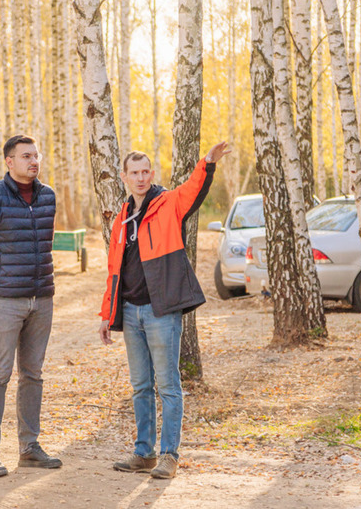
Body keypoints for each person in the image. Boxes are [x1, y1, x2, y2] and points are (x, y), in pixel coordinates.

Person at [99, 142, 230, 479]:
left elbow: (193, 189)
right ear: (125, 177)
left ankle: (169, 455)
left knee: (168, 386)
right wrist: (106, 314)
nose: (141, 177)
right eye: (135, 173)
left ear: (151, 174)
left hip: (161, 312)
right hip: (129, 312)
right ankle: (143, 453)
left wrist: (208, 163)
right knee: (141, 386)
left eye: (146, 172)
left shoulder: (168, 203)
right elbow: (114, 270)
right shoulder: (121, 220)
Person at [0, 134, 62, 479]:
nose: (33, 161)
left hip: (42, 298)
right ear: (9, 162)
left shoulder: (48, 196)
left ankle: (29, 448)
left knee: (33, 374)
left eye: (36, 155)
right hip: (3, 301)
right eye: (26, 156)